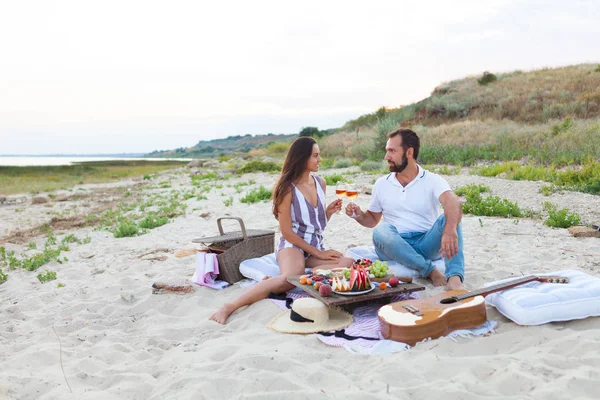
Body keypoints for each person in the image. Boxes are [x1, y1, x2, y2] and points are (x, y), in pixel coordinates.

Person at [210, 137, 354, 324]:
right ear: (302, 158)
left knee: (348, 261)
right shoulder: (287, 188)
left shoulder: (321, 183)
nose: (320, 160)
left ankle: (307, 275)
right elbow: (287, 232)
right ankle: (229, 306)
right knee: (289, 279)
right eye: (316, 156)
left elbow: (316, 225)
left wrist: (328, 212)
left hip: (314, 246)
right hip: (292, 245)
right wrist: (319, 253)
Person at [345, 128, 465, 290]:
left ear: (409, 152)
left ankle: (455, 278)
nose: (386, 156)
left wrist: (450, 230)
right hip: (393, 246)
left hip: (426, 244)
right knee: (381, 231)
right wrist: (359, 215)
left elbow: (452, 201)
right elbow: (372, 220)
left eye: (392, 151)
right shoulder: (382, 183)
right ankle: (430, 271)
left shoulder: (432, 180)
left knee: (451, 215)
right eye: (387, 151)